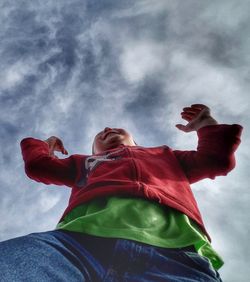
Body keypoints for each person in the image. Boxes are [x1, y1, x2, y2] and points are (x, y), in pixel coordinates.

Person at [0, 104, 242, 281]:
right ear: (94, 150)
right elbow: (38, 166)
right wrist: (44, 145)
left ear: (135, 141)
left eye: (114, 127)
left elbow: (215, 160)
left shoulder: (166, 155)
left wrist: (206, 125)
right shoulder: (85, 163)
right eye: (98, 137)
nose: (106, 128)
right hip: (76, 245)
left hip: (175, 256)